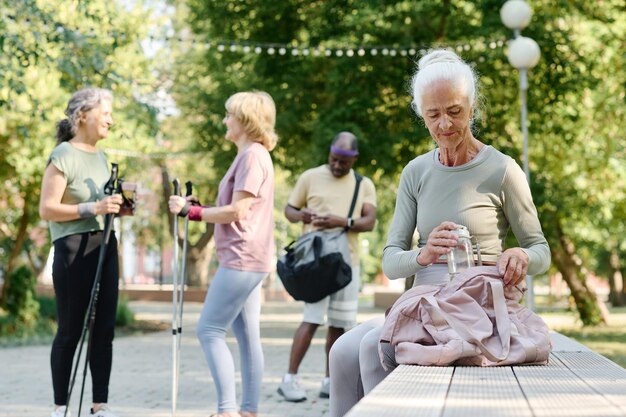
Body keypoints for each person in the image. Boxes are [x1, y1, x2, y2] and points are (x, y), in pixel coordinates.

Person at [328, 49, 551, 417]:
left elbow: (539, 248)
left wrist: (522, 255)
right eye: (433, 114)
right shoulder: (415, 172)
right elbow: (391, 261)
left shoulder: (503, 170)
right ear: (421, 114)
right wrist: (424, 254)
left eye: (454, 111)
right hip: (423, 301)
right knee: (340, 351)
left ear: (472, 106)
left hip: (476, 303)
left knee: (372, 347)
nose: (444, 124)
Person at [168, 91, 278, 417]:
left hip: (242, 259)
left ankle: (227, 411)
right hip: (249, 258)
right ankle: (247, 411)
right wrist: (198, 208)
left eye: (229, 115)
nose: (225, 120)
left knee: (209, 330)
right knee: (247, 338)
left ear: (245, 120)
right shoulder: (249, 155)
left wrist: (193, 213)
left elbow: (238, 211)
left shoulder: (252, 157)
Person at [39, 88, 123, 417]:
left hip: (105, 242)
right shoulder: (63, 154)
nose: (111, 120)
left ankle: (99, 405)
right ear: (83, 116)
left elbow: (101, 206)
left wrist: (119, 207)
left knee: (104, 328)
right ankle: (61, 406)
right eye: (106, 114)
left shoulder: (101, 157)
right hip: (73, 247)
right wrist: (93, 206)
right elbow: (47, 209)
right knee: (71, 329)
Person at [277, 132, 377, 402]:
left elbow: (369, 221)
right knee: (311, 319)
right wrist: (302, 215)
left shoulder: (363, 184)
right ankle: (289, 378)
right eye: (334, 159)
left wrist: (340, 221)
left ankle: (329, 380)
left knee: (339, 325)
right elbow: (289, 209)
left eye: (344, 162)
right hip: (315, 262)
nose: (337, 165)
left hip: (346, 265)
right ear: (330, 153)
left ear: (354, 159)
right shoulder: (310, 177)